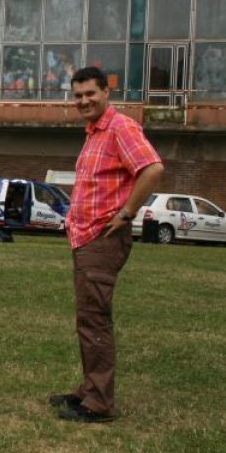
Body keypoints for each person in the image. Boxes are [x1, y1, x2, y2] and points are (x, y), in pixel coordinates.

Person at [50, 67, 164, 423]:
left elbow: (152, 169)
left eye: (90, 94)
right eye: (78, 95)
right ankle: (87, 390)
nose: (84, 101)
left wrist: (128, 213)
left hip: (103, 238)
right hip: (85, 238)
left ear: (106, 94)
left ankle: (99, 403)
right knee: (87, 316)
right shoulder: (94, 133)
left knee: (95, 320)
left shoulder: (120, 128)